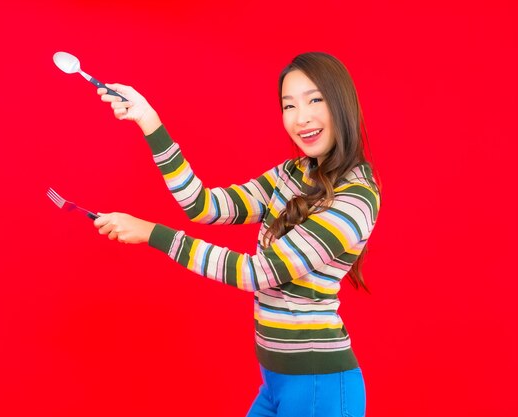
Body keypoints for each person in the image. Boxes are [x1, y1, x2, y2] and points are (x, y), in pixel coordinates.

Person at [93, 52, 380, 417]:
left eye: (315, 99)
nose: (301, 117)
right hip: (277, 380)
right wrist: (150, 122)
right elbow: (203, 205)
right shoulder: (292, 173)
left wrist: (154, 234)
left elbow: (257, 273)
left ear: (341, 103)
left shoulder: (356, 196)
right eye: (288, 105)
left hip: (320, 388)